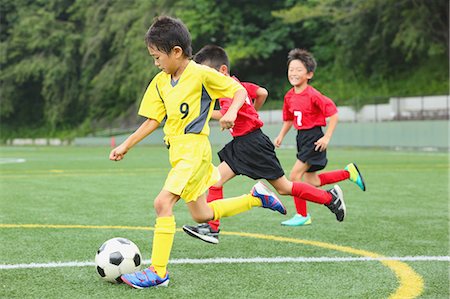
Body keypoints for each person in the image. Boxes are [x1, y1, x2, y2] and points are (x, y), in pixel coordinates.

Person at [110, 16, 288, 289]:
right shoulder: (160, 82)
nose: (156, 62)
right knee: (201, 214)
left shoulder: (201, 73)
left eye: (157, 57)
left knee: (162, 204)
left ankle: (158, 272)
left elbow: (239, 90)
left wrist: (229, 112)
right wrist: (125, 145)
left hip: (194, 149)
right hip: (178, 152)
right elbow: (152, 121)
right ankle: (255, 198)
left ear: (177, 52)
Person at [182, 45, 347, 245]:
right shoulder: (238, 84)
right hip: (243, 143)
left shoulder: (227, 91)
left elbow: (226, 115)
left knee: (285, 187)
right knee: (215, 181)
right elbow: (262, 92)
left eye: (207, 73)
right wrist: (251, 112)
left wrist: (201, 116)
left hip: (253, 144)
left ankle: (329, 198)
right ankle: (212, 228)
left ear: (223, 71)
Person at [274, 48, 366, 227]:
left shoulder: (314, 95)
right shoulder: (289, 96)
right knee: (312, 181)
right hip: (301, 138)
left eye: (298, 69)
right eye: (291, 69)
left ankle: (303, 215)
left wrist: (327, 138)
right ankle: (349, 173)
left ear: (309, 74)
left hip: (314, 137)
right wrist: (280, 136)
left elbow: (334, 114)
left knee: (294, 176)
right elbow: (289, 119)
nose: (293, 73)